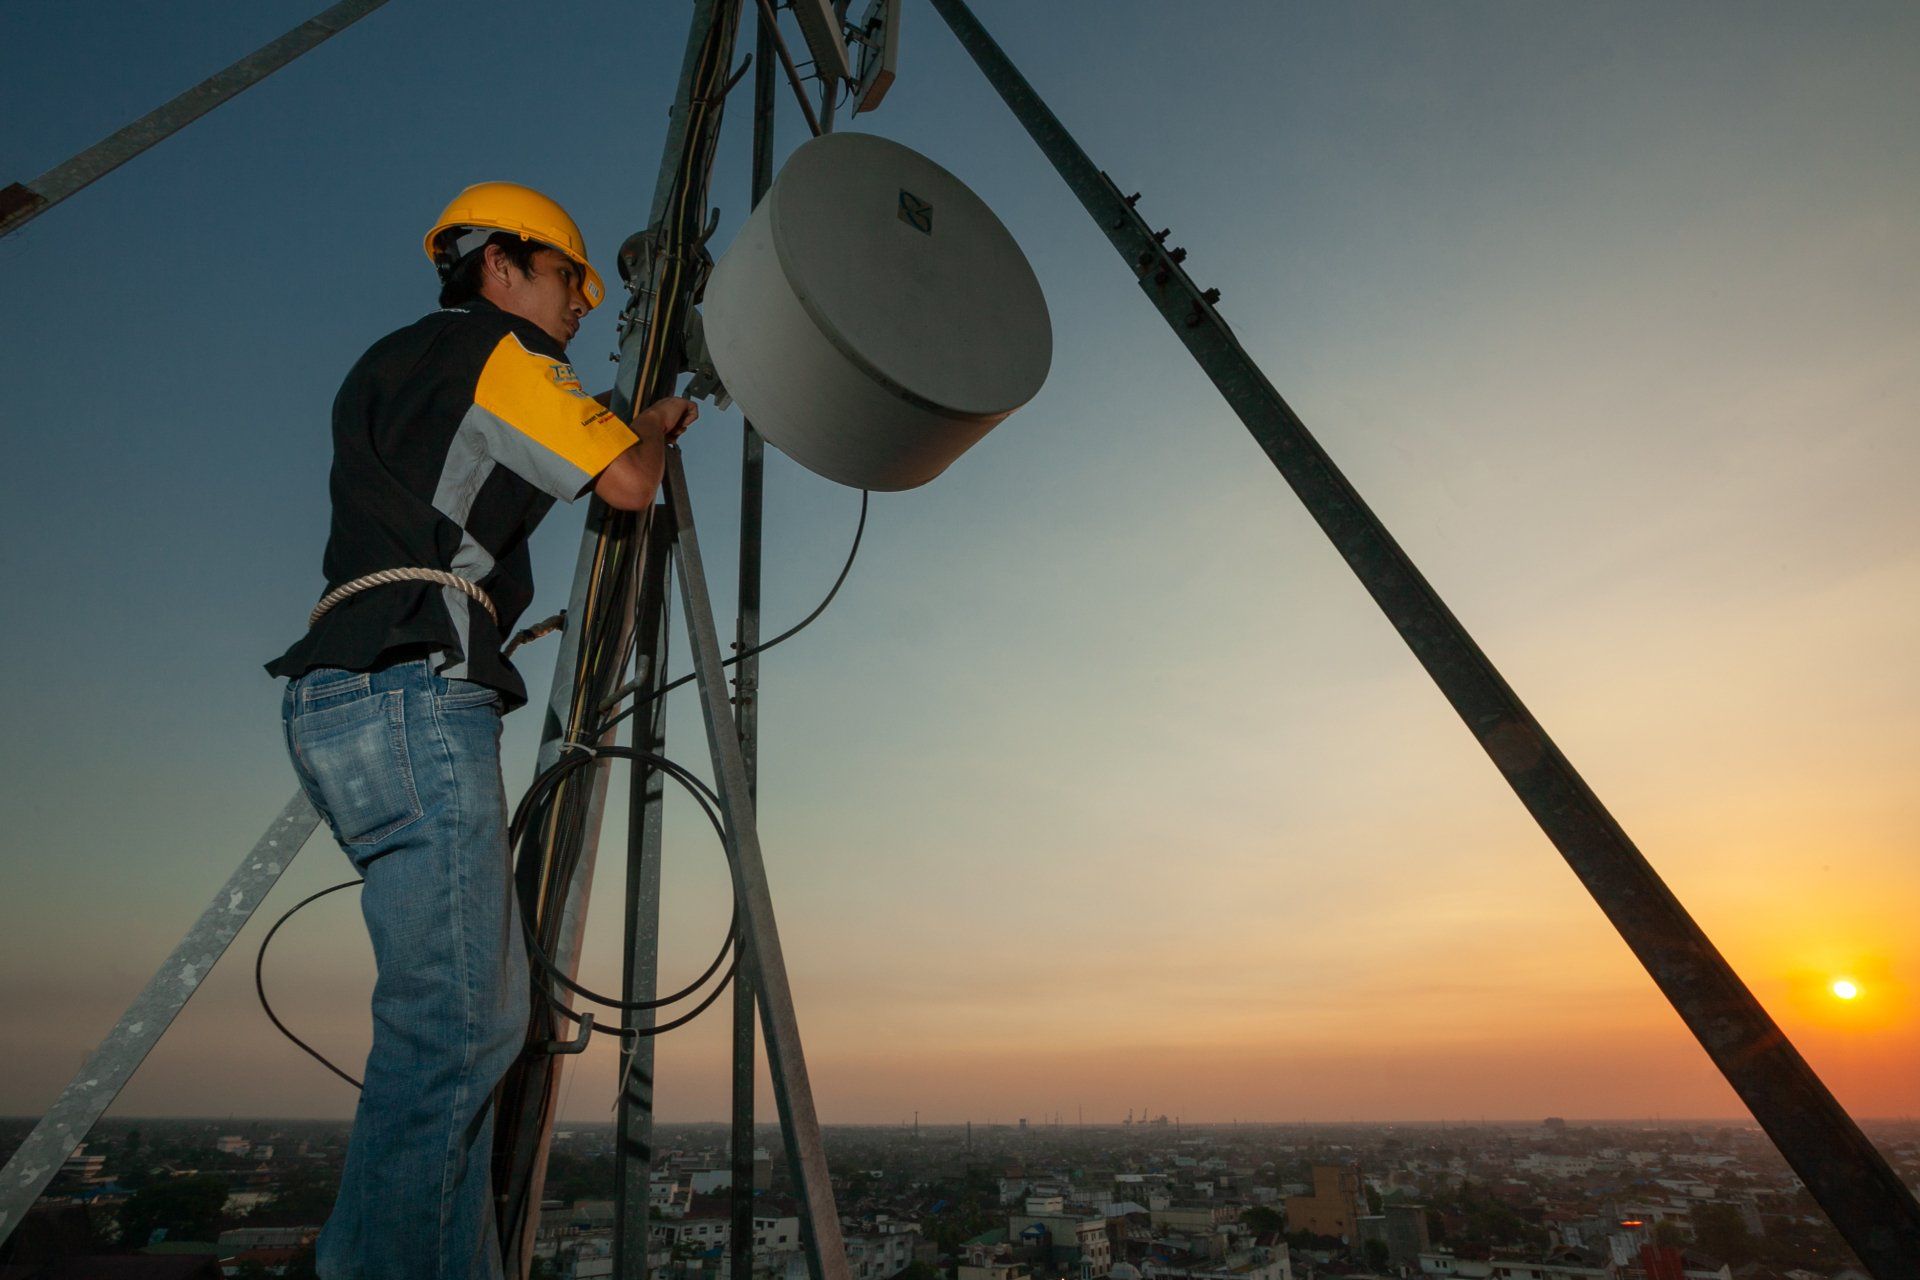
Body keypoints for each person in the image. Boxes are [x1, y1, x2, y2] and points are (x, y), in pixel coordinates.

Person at [265, 181, 697, 1280]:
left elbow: (484, 481)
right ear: (498, 265)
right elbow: (631, 485)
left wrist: (604, 414)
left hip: (339, 695)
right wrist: (638, 427)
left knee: (463, 1020)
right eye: (565, 280)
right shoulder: (507, 355)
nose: (579, 306)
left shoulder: (397, 360)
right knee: (458, 1031)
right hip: (414, 694)